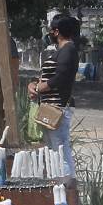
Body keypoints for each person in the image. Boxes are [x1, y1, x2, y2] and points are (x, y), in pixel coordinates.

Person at [29, 13, 80, 176]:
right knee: (53, 149)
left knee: (60, 150)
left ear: (56, 32)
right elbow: (48, 75)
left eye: (51, 31)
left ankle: (67, 186)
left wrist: (41, 87)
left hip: (58, 107)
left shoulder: (68, 50)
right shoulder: (61, 50)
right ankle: (60, 184)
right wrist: (33, 84)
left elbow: (61, 77)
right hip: (50, 106)